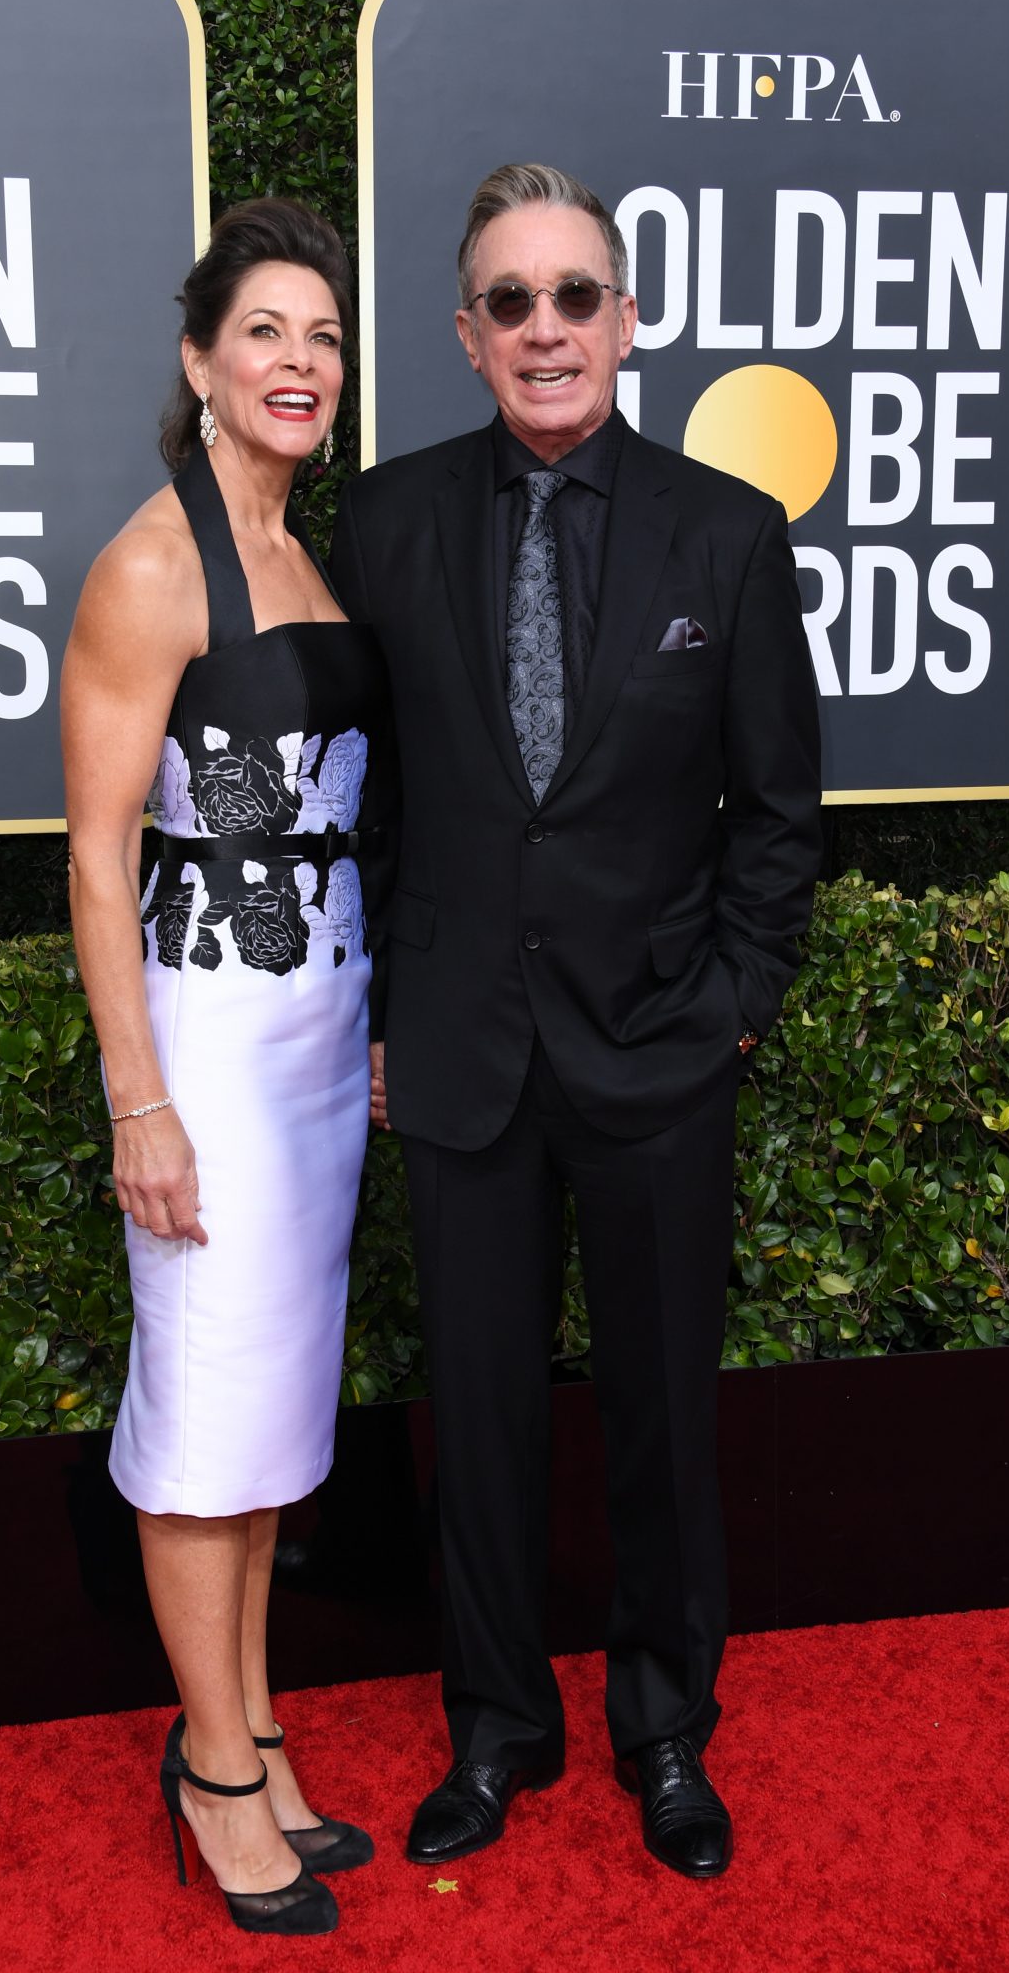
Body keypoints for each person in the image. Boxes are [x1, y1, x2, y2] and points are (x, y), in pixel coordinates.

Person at [331, 163, 821, 1881]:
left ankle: (667, 1730)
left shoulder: (724, 532)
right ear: (467, 335)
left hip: (659, 1053)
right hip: (461, 1052)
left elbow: (778, 809)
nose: (547, 328)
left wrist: (735, 1005)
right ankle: (495, 1727)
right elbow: (367, 803)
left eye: (575, 295)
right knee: (475, 1413)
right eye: (510, 300)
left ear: (630, 319)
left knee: (664, 1415)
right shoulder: (385, 526)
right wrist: (385, 1003)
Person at [62, 197, 389, 1939]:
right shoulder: (153, 562)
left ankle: (252, 1721)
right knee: (204, 1417)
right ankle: (209, 1768)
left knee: (271, 1420)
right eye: (265, 331)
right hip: (204, 1050)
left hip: (321, 1050)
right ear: (198, 363)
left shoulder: (307, 553)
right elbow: (99, 856)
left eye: (323, 337)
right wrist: (141, 1101)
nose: (299, 363)